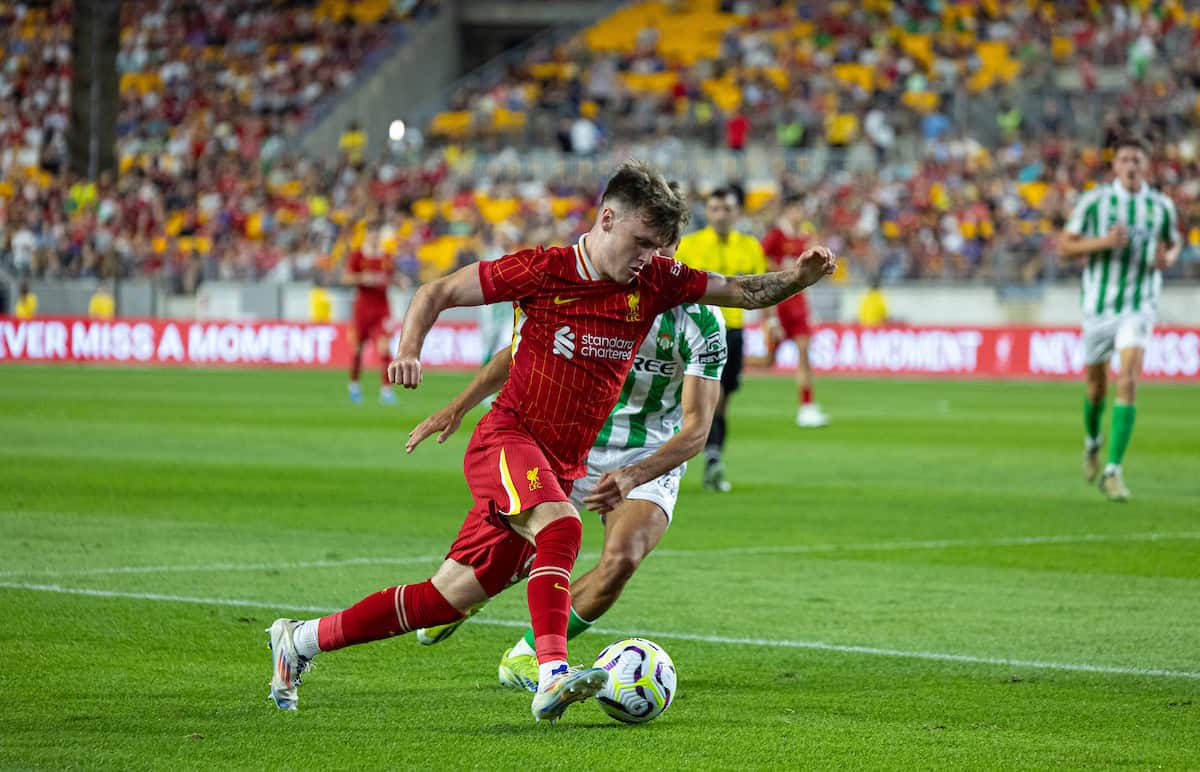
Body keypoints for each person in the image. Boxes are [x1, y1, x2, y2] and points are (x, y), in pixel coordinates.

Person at [263, 160, 836, 722]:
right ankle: (553, 673)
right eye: (642, 242)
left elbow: (741, 290)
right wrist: (409, 350)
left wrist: (798, 279)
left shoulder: (657, 282)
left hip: (560, 465)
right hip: (508, 438)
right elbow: (436, 292)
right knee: (562, 526)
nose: (649, 259)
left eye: (659, 248)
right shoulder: (542, 271)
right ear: (607, 219)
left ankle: (300, 641)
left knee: (445, 599)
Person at [407, 291, 727, 692]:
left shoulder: (699, 319)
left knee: (623, 559)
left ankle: (527, 655)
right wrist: (459, 405)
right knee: (511, 552)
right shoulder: (592, 291)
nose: (651, 256)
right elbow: (522, 353)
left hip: (648, 451)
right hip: (572, 437)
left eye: (661, 244)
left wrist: (633, 474)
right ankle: (470, 594)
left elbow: (697, 429)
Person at [1058, 135, 1180, 501]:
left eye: (1137, 160)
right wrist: (1103, 243)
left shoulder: (1160, 207)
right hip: (1098, 307)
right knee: (1095, 388)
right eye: (1125, 159)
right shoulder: (1095, 202)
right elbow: (1064, 246)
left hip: (1139, 305)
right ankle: (1093, 440)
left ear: (1147, 166)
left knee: (1127, 380)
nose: (1131, 166)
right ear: (1115, 165)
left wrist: (1168, 259)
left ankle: (1113, 470)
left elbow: (1173, 243)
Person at [675, 188, 767, 491]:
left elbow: (762, 288)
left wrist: (771, 321)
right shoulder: (689, 245)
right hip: (696, 333)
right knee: (696, 401)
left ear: (736, 212)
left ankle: (713, 457)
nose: (721, 214)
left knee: (721, 402)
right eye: (715, 208)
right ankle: (709, 458)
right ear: (708, 212)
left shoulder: (750, 246)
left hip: (734, 332)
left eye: (727, 208)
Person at [761, 195, 830, 428]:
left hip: (798, 305)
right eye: (798, 208)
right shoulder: (776, 237)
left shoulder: (804, 238)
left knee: (804, 353)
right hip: (779, 305)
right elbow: (762, 267)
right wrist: (769, 317)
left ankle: (807, 406)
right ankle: (730, 366)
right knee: (767, 361)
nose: (801, 213)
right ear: (789, 210)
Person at [343, 227, 398, 405]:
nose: (375, 240)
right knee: (358, 350)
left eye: (377, 237)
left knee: (384, 350)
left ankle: (386, 391)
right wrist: (362, 278)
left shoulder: (386, 257)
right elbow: (347, 278)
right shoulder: (358, 256)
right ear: (367, 237)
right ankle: (354, 386)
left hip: (381, 309)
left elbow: (391, 276)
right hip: (362, 309)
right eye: (372, 237)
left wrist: (400, 281)